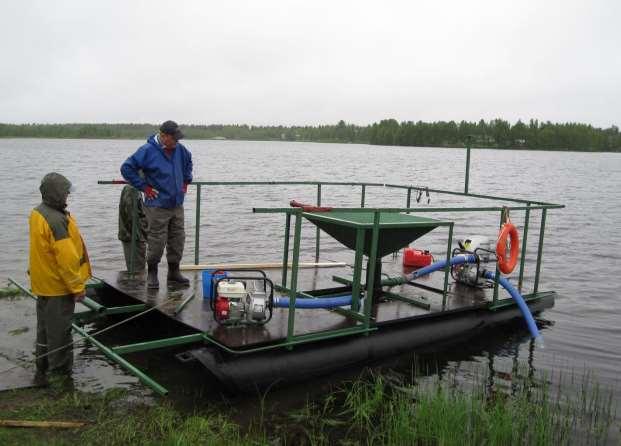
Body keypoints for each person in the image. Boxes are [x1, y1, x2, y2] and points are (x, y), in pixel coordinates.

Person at [29, 172, 91, 379]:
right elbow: (66, 261)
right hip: (58, 287)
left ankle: (42, 366)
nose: (67, 196)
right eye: (65, 192)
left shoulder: (38, 213)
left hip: (42, 283)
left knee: (45, 329)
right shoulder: (56, 220)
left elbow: (40, 251)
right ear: (55, 194)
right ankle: (61, 376)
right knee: (61, 334)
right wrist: (77, 288)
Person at [120, 120, 193, 289]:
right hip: (157, 205)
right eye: (174, 138)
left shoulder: (181, 150)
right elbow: (126, 168)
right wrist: (144, 187)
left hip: (176, 204)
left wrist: (186, 181)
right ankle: (152, 273)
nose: (177, 141)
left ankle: (173, 272)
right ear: (164, 136)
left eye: (178, 138)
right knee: (156, 240)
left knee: (178, 239)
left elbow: (188, 162)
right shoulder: (147, 151)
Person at [118, 184, 148, 272]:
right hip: (133, 236)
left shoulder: (132, 189)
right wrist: (143, 235)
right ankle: (135, 283)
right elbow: (131, 216)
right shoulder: (132, 190)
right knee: (137, 269)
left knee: (137, 267)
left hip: (132, 235)